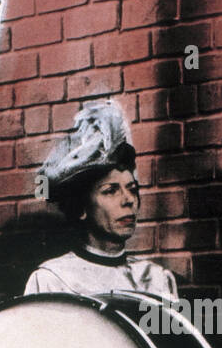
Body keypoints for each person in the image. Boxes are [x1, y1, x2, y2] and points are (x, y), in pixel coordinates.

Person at [26, 99, 177, 299]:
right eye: (111, 190)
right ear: (81, 208)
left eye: (132, 189)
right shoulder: (53, 279)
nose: (128, 200)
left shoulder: (155, 279)